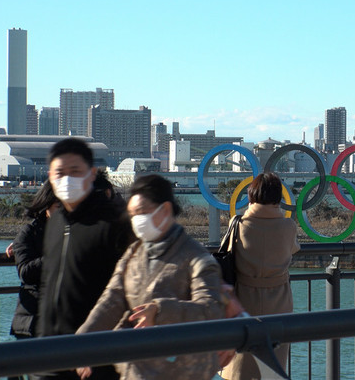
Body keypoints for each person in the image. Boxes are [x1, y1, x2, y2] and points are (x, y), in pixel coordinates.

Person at [75, 174, 225, 380]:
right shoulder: (133, 254)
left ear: (165, 209)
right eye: (133, 214)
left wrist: (161, 311)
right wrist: (82, 342)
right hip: (135, 370)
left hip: (182, 372)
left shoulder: (197, 257)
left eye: (142, 212)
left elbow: (211, 310)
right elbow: (111, 300)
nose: (137, 220)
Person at [38, 138, 134, 380]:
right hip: (49, 354)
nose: (66, 179)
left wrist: (103, 348)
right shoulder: (56, 223)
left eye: (75, 171)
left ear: (92, 174)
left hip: (96, 358)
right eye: (60, 172)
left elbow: (131, 290)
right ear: (50, 175)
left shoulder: (114, 223)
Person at [221, 172, 300, 380]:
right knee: (273, 365)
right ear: (278, 197)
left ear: (251, 196)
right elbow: (292, 249)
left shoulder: (239, 224)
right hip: (279, 303)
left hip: (244, 300)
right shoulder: (288, 226)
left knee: (241, 361)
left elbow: (227, 253)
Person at [8, 182, 59, 341]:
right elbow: (26, 273)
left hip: (64, 321)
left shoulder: (77, 233)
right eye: (59, 205)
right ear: (46, 205)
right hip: (33, 320)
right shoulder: (29, 233)